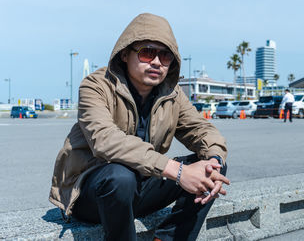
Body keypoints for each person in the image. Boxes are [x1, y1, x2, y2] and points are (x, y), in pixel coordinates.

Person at [49, 13, 229, 241]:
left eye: (165, 56)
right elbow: (105, 140)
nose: (156, 62)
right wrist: (178, 171)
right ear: (125, 53)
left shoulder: (171, 94)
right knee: (120, 177)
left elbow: (203, 131)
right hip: (91, 192)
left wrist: (215, 159)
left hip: (140, 186)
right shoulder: (95, 86)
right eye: (147, 52)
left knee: (211, 169)